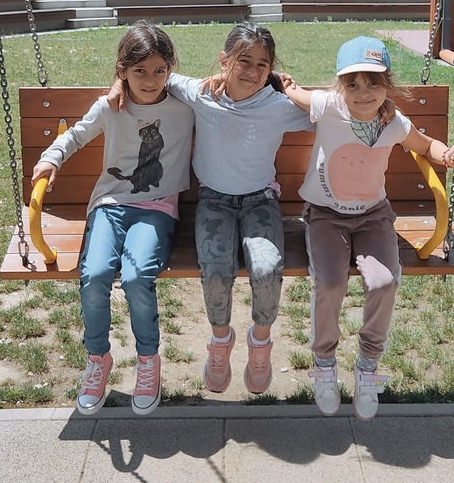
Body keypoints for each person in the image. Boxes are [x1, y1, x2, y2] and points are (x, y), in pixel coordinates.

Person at [112, 21, 313, 396]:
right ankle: (220, 342)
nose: (252, 72)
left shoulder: (278, 106)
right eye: (243, 61)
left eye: (262, 65)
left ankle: (260, 344)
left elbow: (334, 111)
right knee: (217, 270)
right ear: (224, 61)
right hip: (214, 201)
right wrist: (116, 85)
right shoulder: (201, 93)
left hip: (260, 200)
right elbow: (155, 75)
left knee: (267, 268)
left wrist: (289, 87)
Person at [282, 36, 454, 421]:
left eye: (373, 82)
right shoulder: (328, 106)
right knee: (329, 283)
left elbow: (425, 145)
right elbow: (293, 92)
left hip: (373, 216)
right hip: (325, 216)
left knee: (384, 282)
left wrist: (449, 156)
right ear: (340, 86)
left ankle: (368, 364)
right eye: (352, 83)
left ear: (387, 84)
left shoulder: (393, 122)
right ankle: (324, 362)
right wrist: (285, 84)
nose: (363, 93)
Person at [32, 22, 194, 416]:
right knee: (95, 273)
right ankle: (97, 359)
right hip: (110, 205)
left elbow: (220, 91)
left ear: (170, 68)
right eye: (139, 71)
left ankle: (147, 361)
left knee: (137, 276)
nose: (150, 80)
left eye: (159, 70)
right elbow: (75, 135)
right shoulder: (110, 107)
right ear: (122, 70)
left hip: (157, 208)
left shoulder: (186, 106)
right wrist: (51, 159)